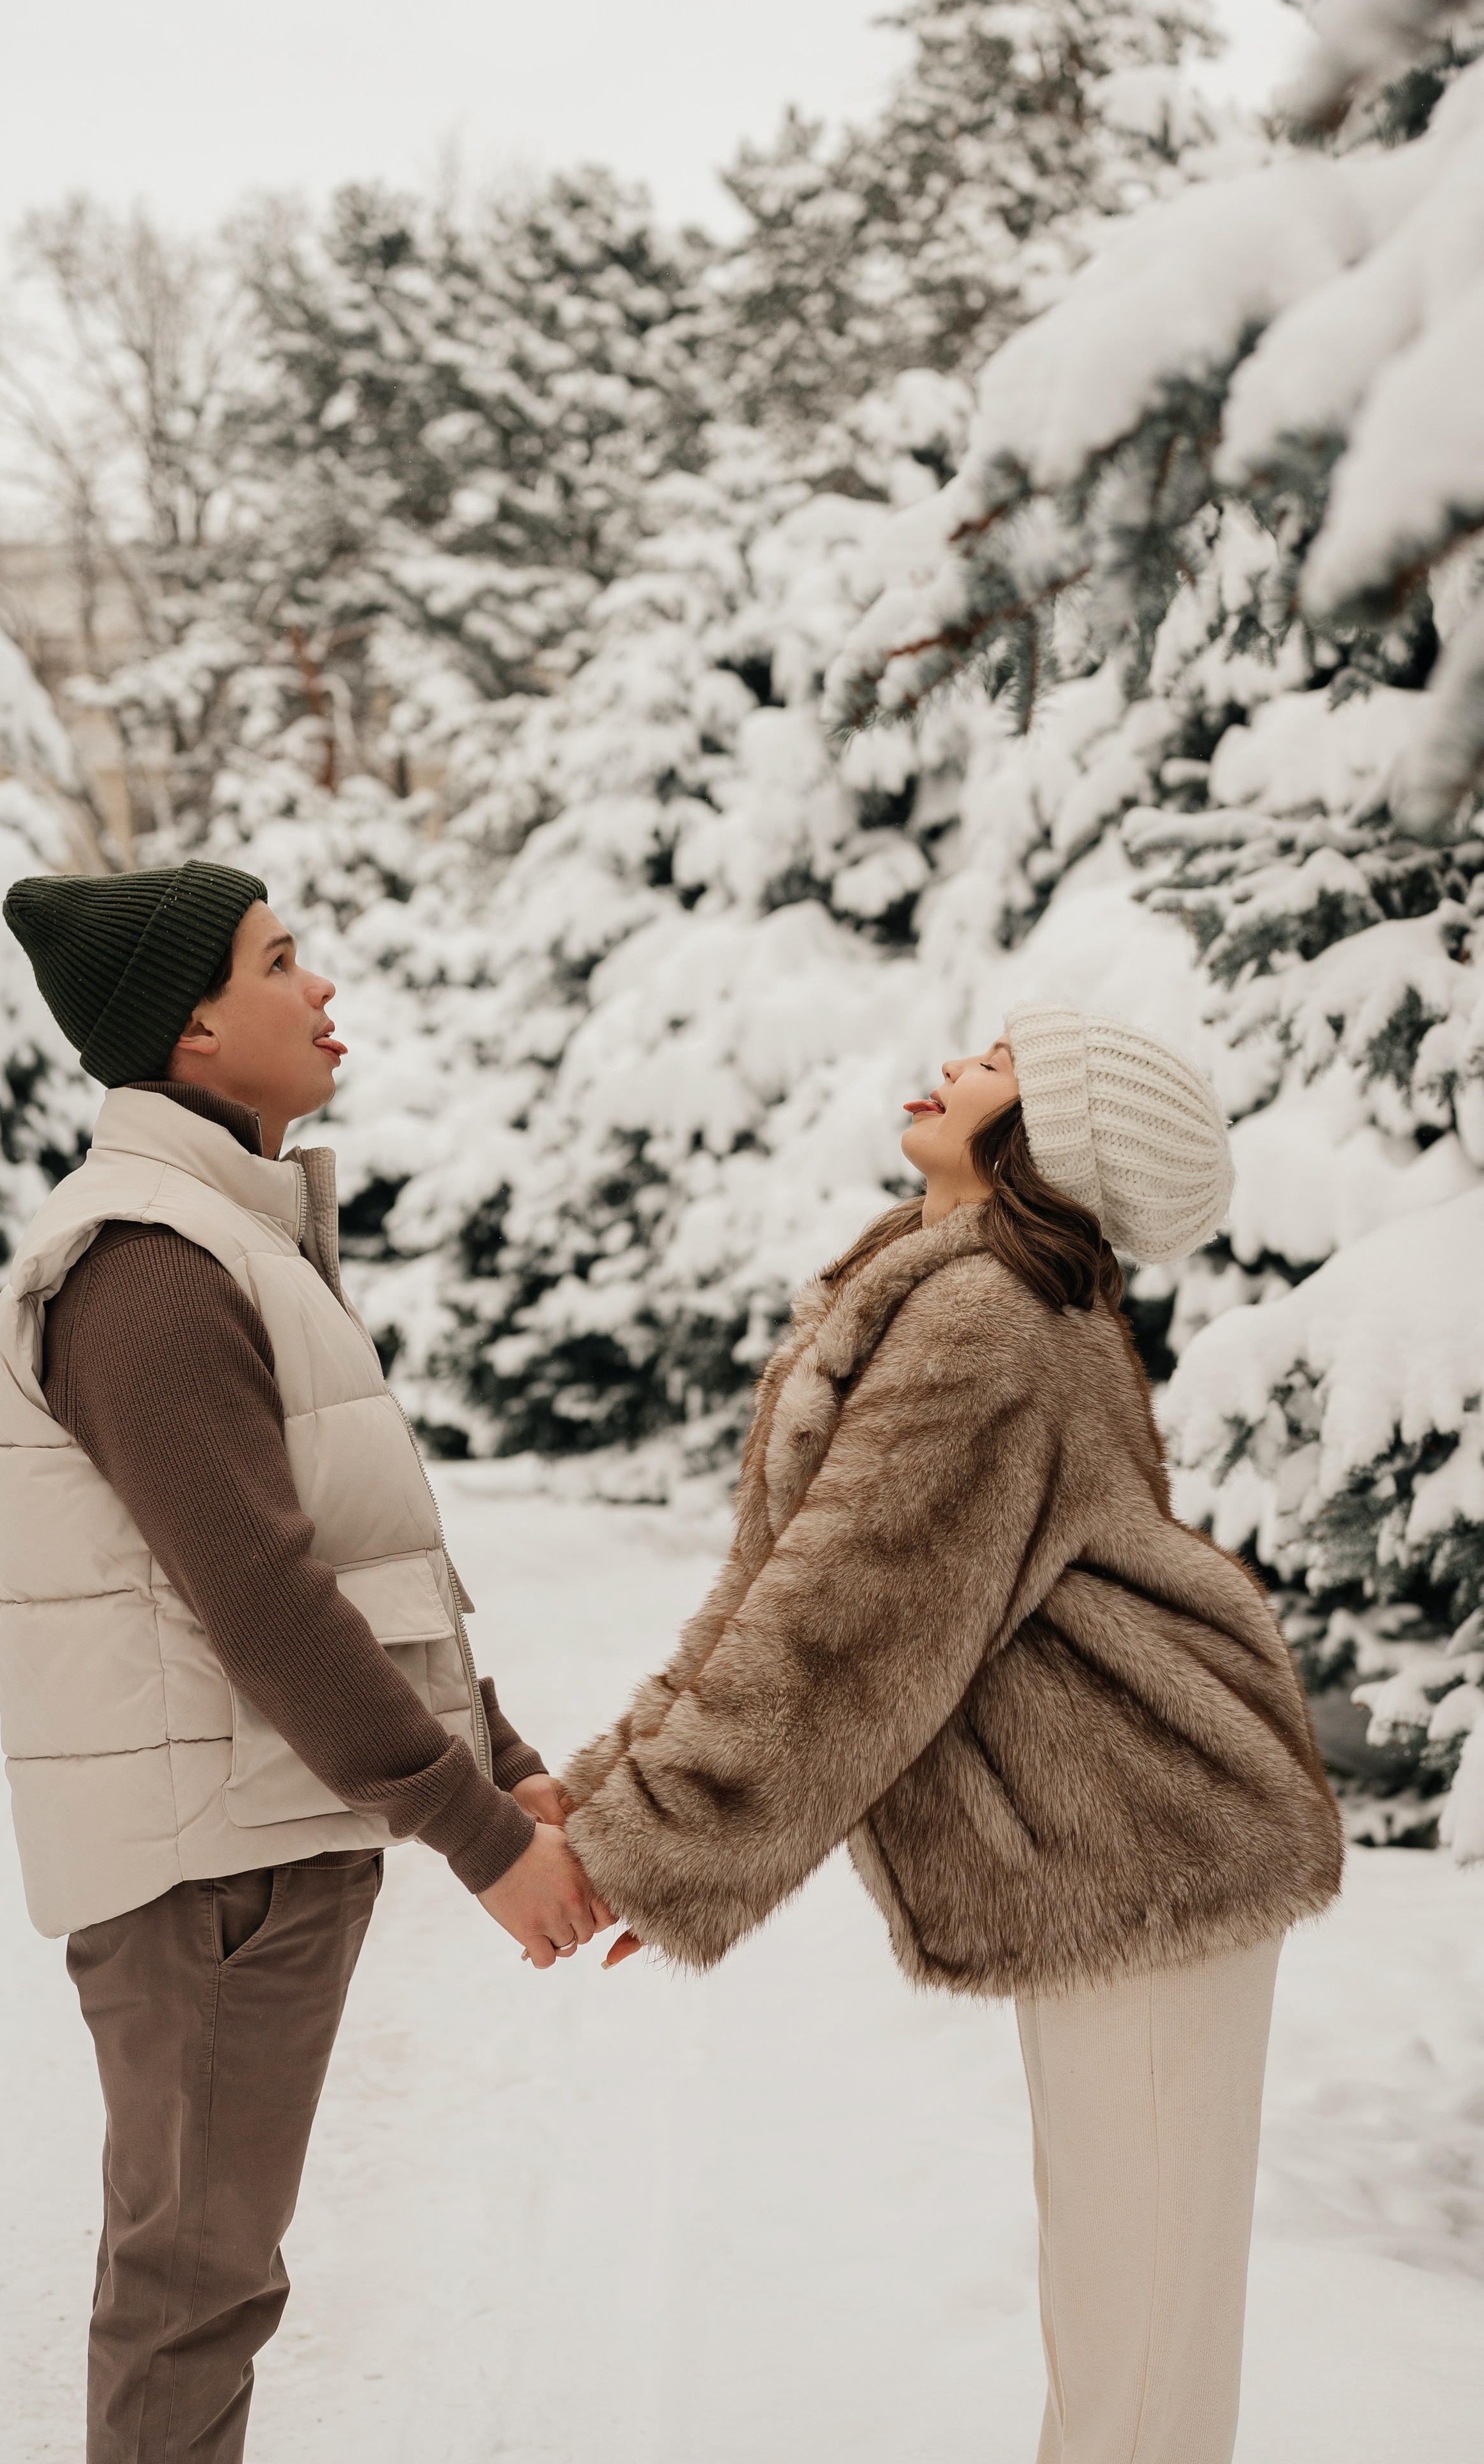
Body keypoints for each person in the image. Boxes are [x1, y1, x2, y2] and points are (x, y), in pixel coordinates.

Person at [561, 1004, 1344, 2464]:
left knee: (1141, 2364)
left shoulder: (987, 1322)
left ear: (1049, 1133)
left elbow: (844, 1625)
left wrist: (647, 1843)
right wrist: (621, 1803)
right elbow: (781, 1583)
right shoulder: (941, 1293)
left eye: (995, 1063)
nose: (951, 1066)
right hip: (1102, 1851)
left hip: (1155, 1841)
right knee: (1116, 2331)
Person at [0, 859, 610, 2464]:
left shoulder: (227, 1234)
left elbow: (356, 1560)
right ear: (193, 1030)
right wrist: (480, 1842)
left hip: (253, 1848)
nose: (320, 985)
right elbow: (258, 1596)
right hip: (210, 1870)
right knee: (190, 2284)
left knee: (208, 2272)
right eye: (280, 960)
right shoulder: (144, 1264)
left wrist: (497, 1753)